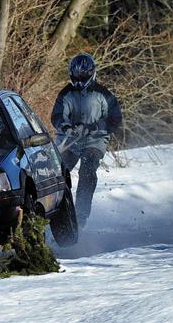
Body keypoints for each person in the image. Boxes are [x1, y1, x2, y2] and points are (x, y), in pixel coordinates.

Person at [51, 53, 122, 228]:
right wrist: (66, 126)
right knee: (57, 173)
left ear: (92, 74)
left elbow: (115, 118)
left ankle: (81, 216)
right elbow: (57, 115)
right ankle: (55, 213)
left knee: (87, 170)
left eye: (83, 77)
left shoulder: (103, 94)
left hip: (94, 141)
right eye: (76, 77)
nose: (80, 81)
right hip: (70, 141)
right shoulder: (66, 93)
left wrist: (94, 126)